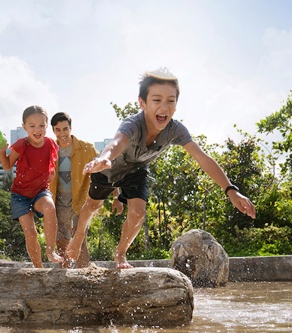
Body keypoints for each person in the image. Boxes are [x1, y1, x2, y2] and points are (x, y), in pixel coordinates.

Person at [65, 68, 257, 269]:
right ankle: (78, 236)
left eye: (170, 101)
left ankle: (120, 254)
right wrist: (104, 158)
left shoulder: (176, 130)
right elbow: (116, 143)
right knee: (93, 206)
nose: (164, 107)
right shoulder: (132, 124)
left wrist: (231, 190)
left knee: (138, 212)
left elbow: (203, 158)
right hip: (108, 168)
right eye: (157, 100)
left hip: (136, 170)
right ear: (142, 103)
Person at [0, 105, 63, 268]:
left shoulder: (51, 144)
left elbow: (51, 166)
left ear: (47, 126)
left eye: (41, 125)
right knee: (31, 233)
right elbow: (7, 165)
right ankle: (38, 268)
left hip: (40, 191)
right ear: (24, 127)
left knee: (49, 207)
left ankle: (50, 250)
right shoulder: (21, 145)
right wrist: (1, 151)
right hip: (20, 195)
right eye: (32, 126)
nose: (37, 129)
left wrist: (51, 174)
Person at [48, 112, 99, 268]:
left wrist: (116, 196)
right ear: (53, 130)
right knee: (61, 241)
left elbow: (102, 170)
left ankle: (84, 274)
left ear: (70, 128)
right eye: (58, 130)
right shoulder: (49, 149)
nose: (62, 134)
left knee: (80, 238)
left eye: (65, 129)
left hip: (80, 200)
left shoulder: (86, 148)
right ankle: (65, 277)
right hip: (59, 201)